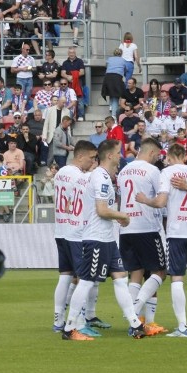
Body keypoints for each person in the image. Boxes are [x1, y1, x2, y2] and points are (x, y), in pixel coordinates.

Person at [61, 139, 147, 340]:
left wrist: (118, 217)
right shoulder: (99, 177)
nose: (121, 155)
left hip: (107, 239)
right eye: (119, 152)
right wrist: (122, 216)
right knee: (86, 282)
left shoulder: (105, 177)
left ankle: (135, 325)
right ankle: (70, 328)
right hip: (96, 238)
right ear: (109, 155)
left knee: (120, 279)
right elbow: (101, 210)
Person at [135, 143, 187, 337]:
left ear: (168, 157)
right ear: (185, 156)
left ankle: (182, 327)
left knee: (177, 277)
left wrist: (144, 200)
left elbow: (160, 202)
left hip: (177, 232)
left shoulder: (167, 173)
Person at [116, 137, 167, 336]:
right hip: (146, 227)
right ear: (152, 152)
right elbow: (160, 200)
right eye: (157, 155)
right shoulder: (152, 171)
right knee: (159, 272)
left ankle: (145, 322)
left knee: (137, 273)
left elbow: (120, 198)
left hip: (127, 228)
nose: (157, 159)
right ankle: (135, 311)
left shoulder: (123, 171)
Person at [52, 140, 98, 338]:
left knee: (65, 275)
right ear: (80, 156)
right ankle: (77, 321)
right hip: (76, 232)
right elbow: (75, 202)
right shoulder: (79, 176)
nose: (92, 162)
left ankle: (58, 319)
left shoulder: (61, 172)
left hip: (60, 229)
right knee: (83, 278)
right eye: (91, 158)